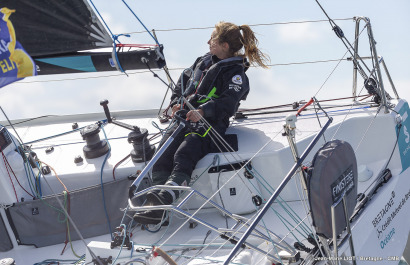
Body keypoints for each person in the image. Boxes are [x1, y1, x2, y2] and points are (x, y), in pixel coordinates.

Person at [133, 21, 269, 225]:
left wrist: (203, 111)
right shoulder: (202, 62)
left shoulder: (236, 75)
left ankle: (167, 198)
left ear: (225, 46)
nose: (208, 42)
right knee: (161, 155)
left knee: (185, 153)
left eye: (213, 39)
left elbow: (228, 103)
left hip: (210, 124)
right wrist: (175, 104)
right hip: (184, 119)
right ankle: (156, 207)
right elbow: (183, 84)